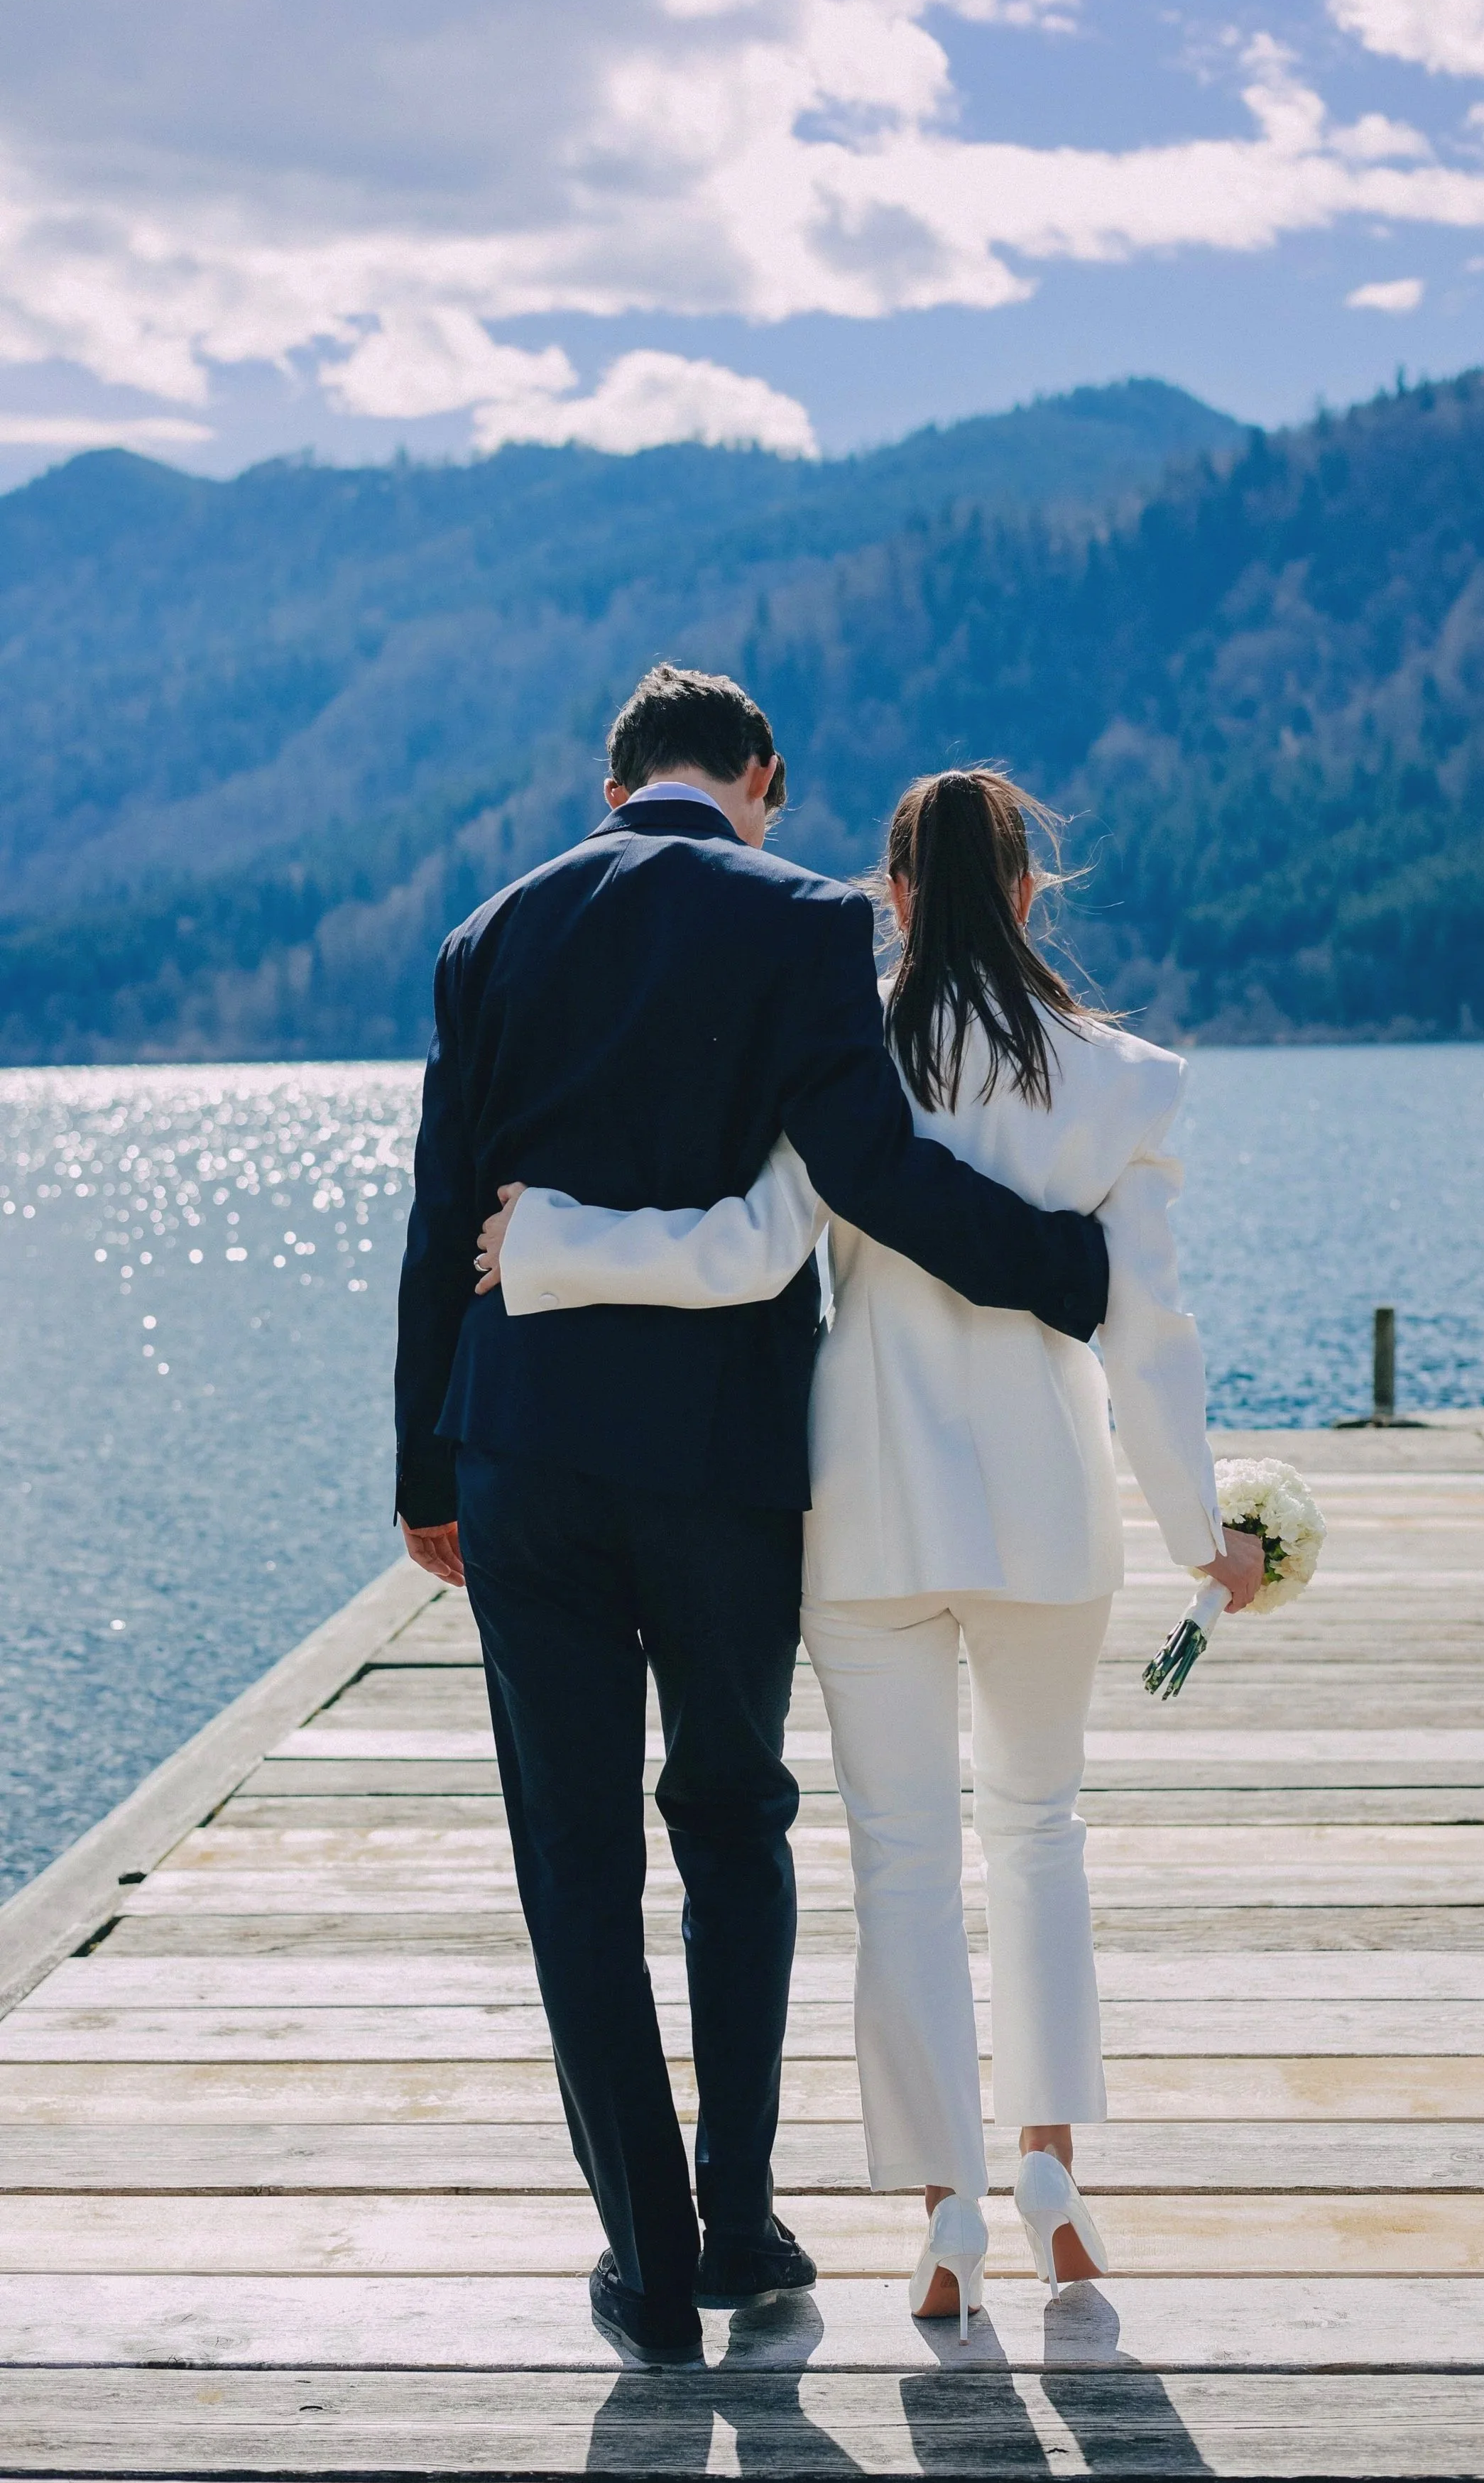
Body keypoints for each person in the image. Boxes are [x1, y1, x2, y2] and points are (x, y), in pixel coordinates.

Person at [473, 765, 1262, 2335]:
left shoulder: (842, 1051)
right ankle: (1050, 2171)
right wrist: (1205, 1535)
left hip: (865, 1515)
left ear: (889, 899)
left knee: (901, 1862)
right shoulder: (1126, 1082)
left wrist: (546, 1243)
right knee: (1036, 1832)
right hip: (1046, 1508)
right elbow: (1147, 1336)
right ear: (1029, 892)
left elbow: (744, 1252)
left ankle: (944, 2216)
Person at [393, 670, 1114, 2369]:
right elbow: (865, 1170)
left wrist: (425, 1475)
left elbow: (441, 1223)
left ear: (614, 779)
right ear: (761, 781)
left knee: (572, 1856)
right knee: (730, 1821)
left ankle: (642, 2267)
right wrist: (1060, 1270)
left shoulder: (484, 936)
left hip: (522, 1454)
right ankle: (738, 2219)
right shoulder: (801, 924)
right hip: (721, 1465)